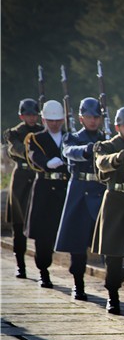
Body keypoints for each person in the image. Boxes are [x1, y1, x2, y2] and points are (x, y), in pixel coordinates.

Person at [92, 106, 124, 314]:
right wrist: (117, 158)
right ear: (117, 126)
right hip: (114, 201)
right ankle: (113, 296)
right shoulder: (105, 145)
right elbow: (101, 163)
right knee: (113, 255)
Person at [56, 98, 106, 300]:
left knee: (108, 242)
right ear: (81, 118)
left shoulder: (106, 138)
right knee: (77, 246)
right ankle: (78, 284)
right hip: (80, 192)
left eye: (96, 117)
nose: (92, 121)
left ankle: (113, 286)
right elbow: (69, 152)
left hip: (101, 192)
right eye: (88, 117)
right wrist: (86, 149)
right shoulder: (72, 137)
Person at [23, 100, 69, 288]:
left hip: (64, 188)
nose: (55, 124)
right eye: (51, 120)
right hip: (45, 188)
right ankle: (43, 271)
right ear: (44, 119)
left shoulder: (69, 137)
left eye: (58, 120)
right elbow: (33, 156)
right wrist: (46, 163)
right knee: (44, 236)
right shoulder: (36, 138)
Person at [3, 98, 43, 278]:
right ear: (21, 115)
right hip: (21, 180)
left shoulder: (43, 131)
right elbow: (17, 150)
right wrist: (32, 152)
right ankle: (20, 265)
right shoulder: (15, 133)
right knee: (18, 227)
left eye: (34, 114)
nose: (32, 118)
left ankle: (43, 264)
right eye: (28, 115)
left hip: (38, 177)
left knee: (41, 224)